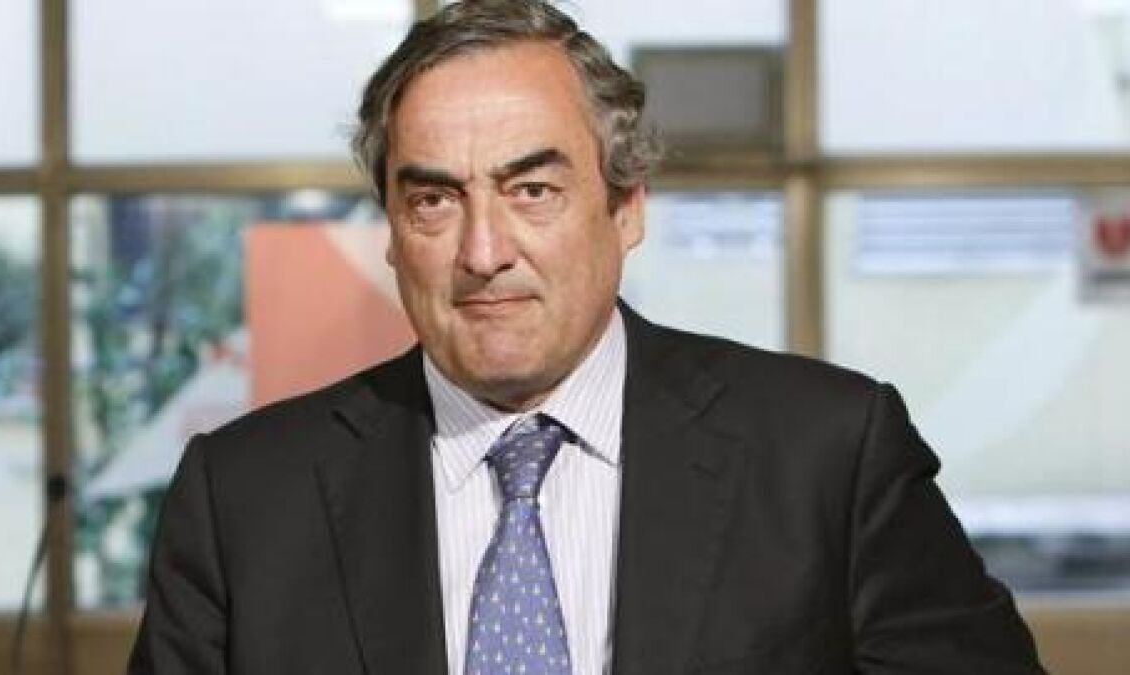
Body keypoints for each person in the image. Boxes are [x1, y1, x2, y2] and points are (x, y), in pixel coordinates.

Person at [129, 1, 1045, 673]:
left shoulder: (827, 455)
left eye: (532, 190)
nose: (483, 252)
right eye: (435, 199)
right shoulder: (245, 499)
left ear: (626, 206)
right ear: (394, 232)